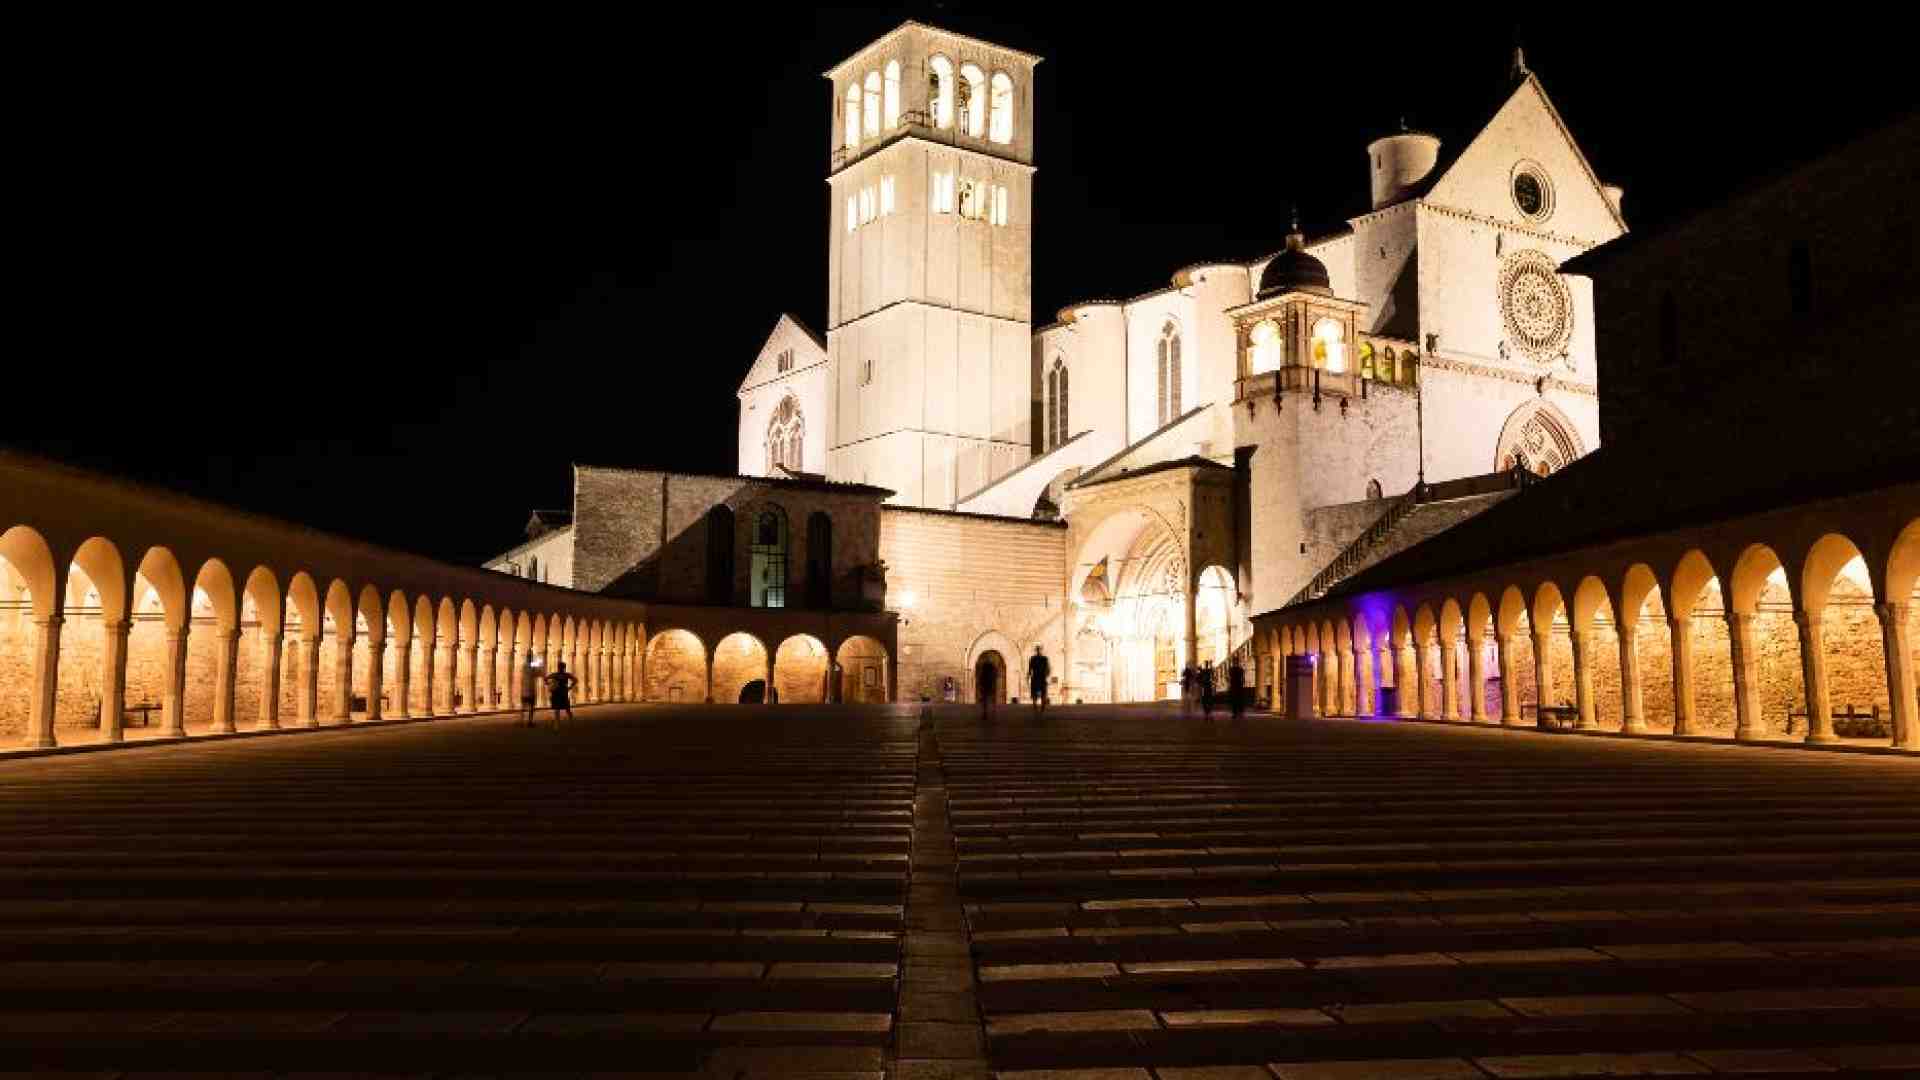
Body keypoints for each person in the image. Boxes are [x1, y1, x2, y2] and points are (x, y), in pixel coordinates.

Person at [544, 661, 578, 729]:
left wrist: (549, 685)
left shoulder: (556, 675)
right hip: (562, 692)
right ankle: (567, 722)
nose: (560, 668)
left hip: (557, 693)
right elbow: (575, 680)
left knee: (559, 709)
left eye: (560, 667)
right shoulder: (565, 675)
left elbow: (545, 678)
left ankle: (558, 724)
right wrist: (570, 687)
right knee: (565, 709)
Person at [1027, 645, 1051, 718]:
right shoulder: (1034, 658)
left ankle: (1041, 709)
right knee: (1035, 694)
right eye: (1038, 650)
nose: (1038, 651)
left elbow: (1048, 668)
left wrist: (1046, 675)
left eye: (1039, 650)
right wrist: (1028, 675)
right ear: (1037, 650)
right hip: (1037, 677)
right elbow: (1030, 669)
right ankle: (1036, 708)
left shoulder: (1043, 659)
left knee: (1042, 694)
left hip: (1040, 677)